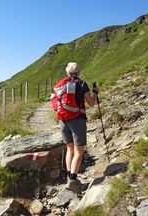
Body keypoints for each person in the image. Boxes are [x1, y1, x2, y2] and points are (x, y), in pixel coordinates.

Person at [51, 62, 98, 193]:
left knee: (70, 149)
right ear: (79, 72)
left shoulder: (62, 85)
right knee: (79, 151)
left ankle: (69, 177)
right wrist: (95, 92)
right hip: (77, 120)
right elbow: (92, 103)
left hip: (62, 120)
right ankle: (73, 181)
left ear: (67, 73)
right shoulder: (82, 84)